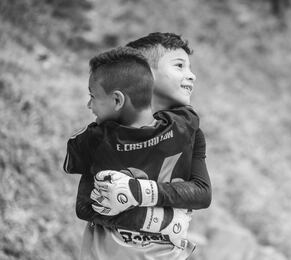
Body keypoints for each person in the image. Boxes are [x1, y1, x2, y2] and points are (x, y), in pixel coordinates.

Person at [68, 33, 211, 259]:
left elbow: (202, 193)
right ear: (146, 73)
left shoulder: (190, 133)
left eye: (189, 67)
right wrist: (163, 219)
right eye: (179, 66)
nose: (191, 75)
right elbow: (86, 205)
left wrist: (138, 193)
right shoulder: (106, 134)